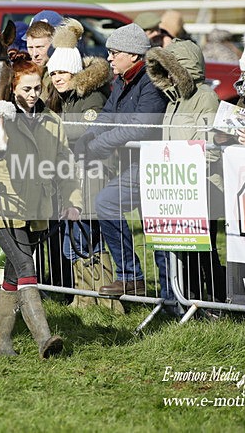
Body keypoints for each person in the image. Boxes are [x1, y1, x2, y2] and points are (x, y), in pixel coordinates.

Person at [0, 51, 81, 359]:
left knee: (13, 275)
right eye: (26, 89)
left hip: (37, 211)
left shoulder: (53, 121)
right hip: (4, 208)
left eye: (37, 88)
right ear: (12, 88)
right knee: (26, 266)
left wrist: (73, 201)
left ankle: (2, 344)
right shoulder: (0, 120)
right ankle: (44, 339)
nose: (33, 94)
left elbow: (66, 165)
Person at [72, 23, 169, 297]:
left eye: (114, 53)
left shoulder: (150, 81)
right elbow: (107, 116)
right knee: (109, 204)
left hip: (153, 165)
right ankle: (132, 277)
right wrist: (88, 137)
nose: (109, 58)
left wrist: (98, 146)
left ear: (134, 55)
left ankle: (169, 296)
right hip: (133, 164)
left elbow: (140, 127)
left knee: (155, 233)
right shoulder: (123, 80)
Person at [145, 39, 226, 308]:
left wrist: (190, 173)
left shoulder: (206, 97)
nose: (167, 76)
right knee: (183, 248)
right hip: (178, 189)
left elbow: (211, 145)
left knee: (204, 250)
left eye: (171, 69)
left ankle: (215, 303)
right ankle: (191, 302)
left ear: (183, 69)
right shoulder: (173, 101)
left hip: (202, 186)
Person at [44, 18, 117, 309]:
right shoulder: (67, 98)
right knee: (75, 236)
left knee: (87, 237)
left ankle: (103, 299)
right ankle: (84, 295)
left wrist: (50, 128)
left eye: (62, 71)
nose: (57, 77)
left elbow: (87, 130)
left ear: (75, 71)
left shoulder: (93, 95)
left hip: (93, 174)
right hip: (74, 175)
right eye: (53, 72)